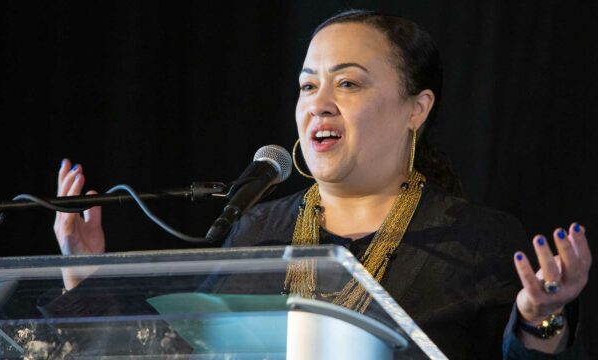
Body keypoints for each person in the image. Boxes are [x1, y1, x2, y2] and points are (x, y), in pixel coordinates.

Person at [52, 10, 591, 359]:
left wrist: (539, 322)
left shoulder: (479, 241)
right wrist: (83, 271)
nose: (319, 102)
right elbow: (166, 350)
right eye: (308, 85)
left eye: (348, 83)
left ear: (416, 109)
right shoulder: (257, 230)